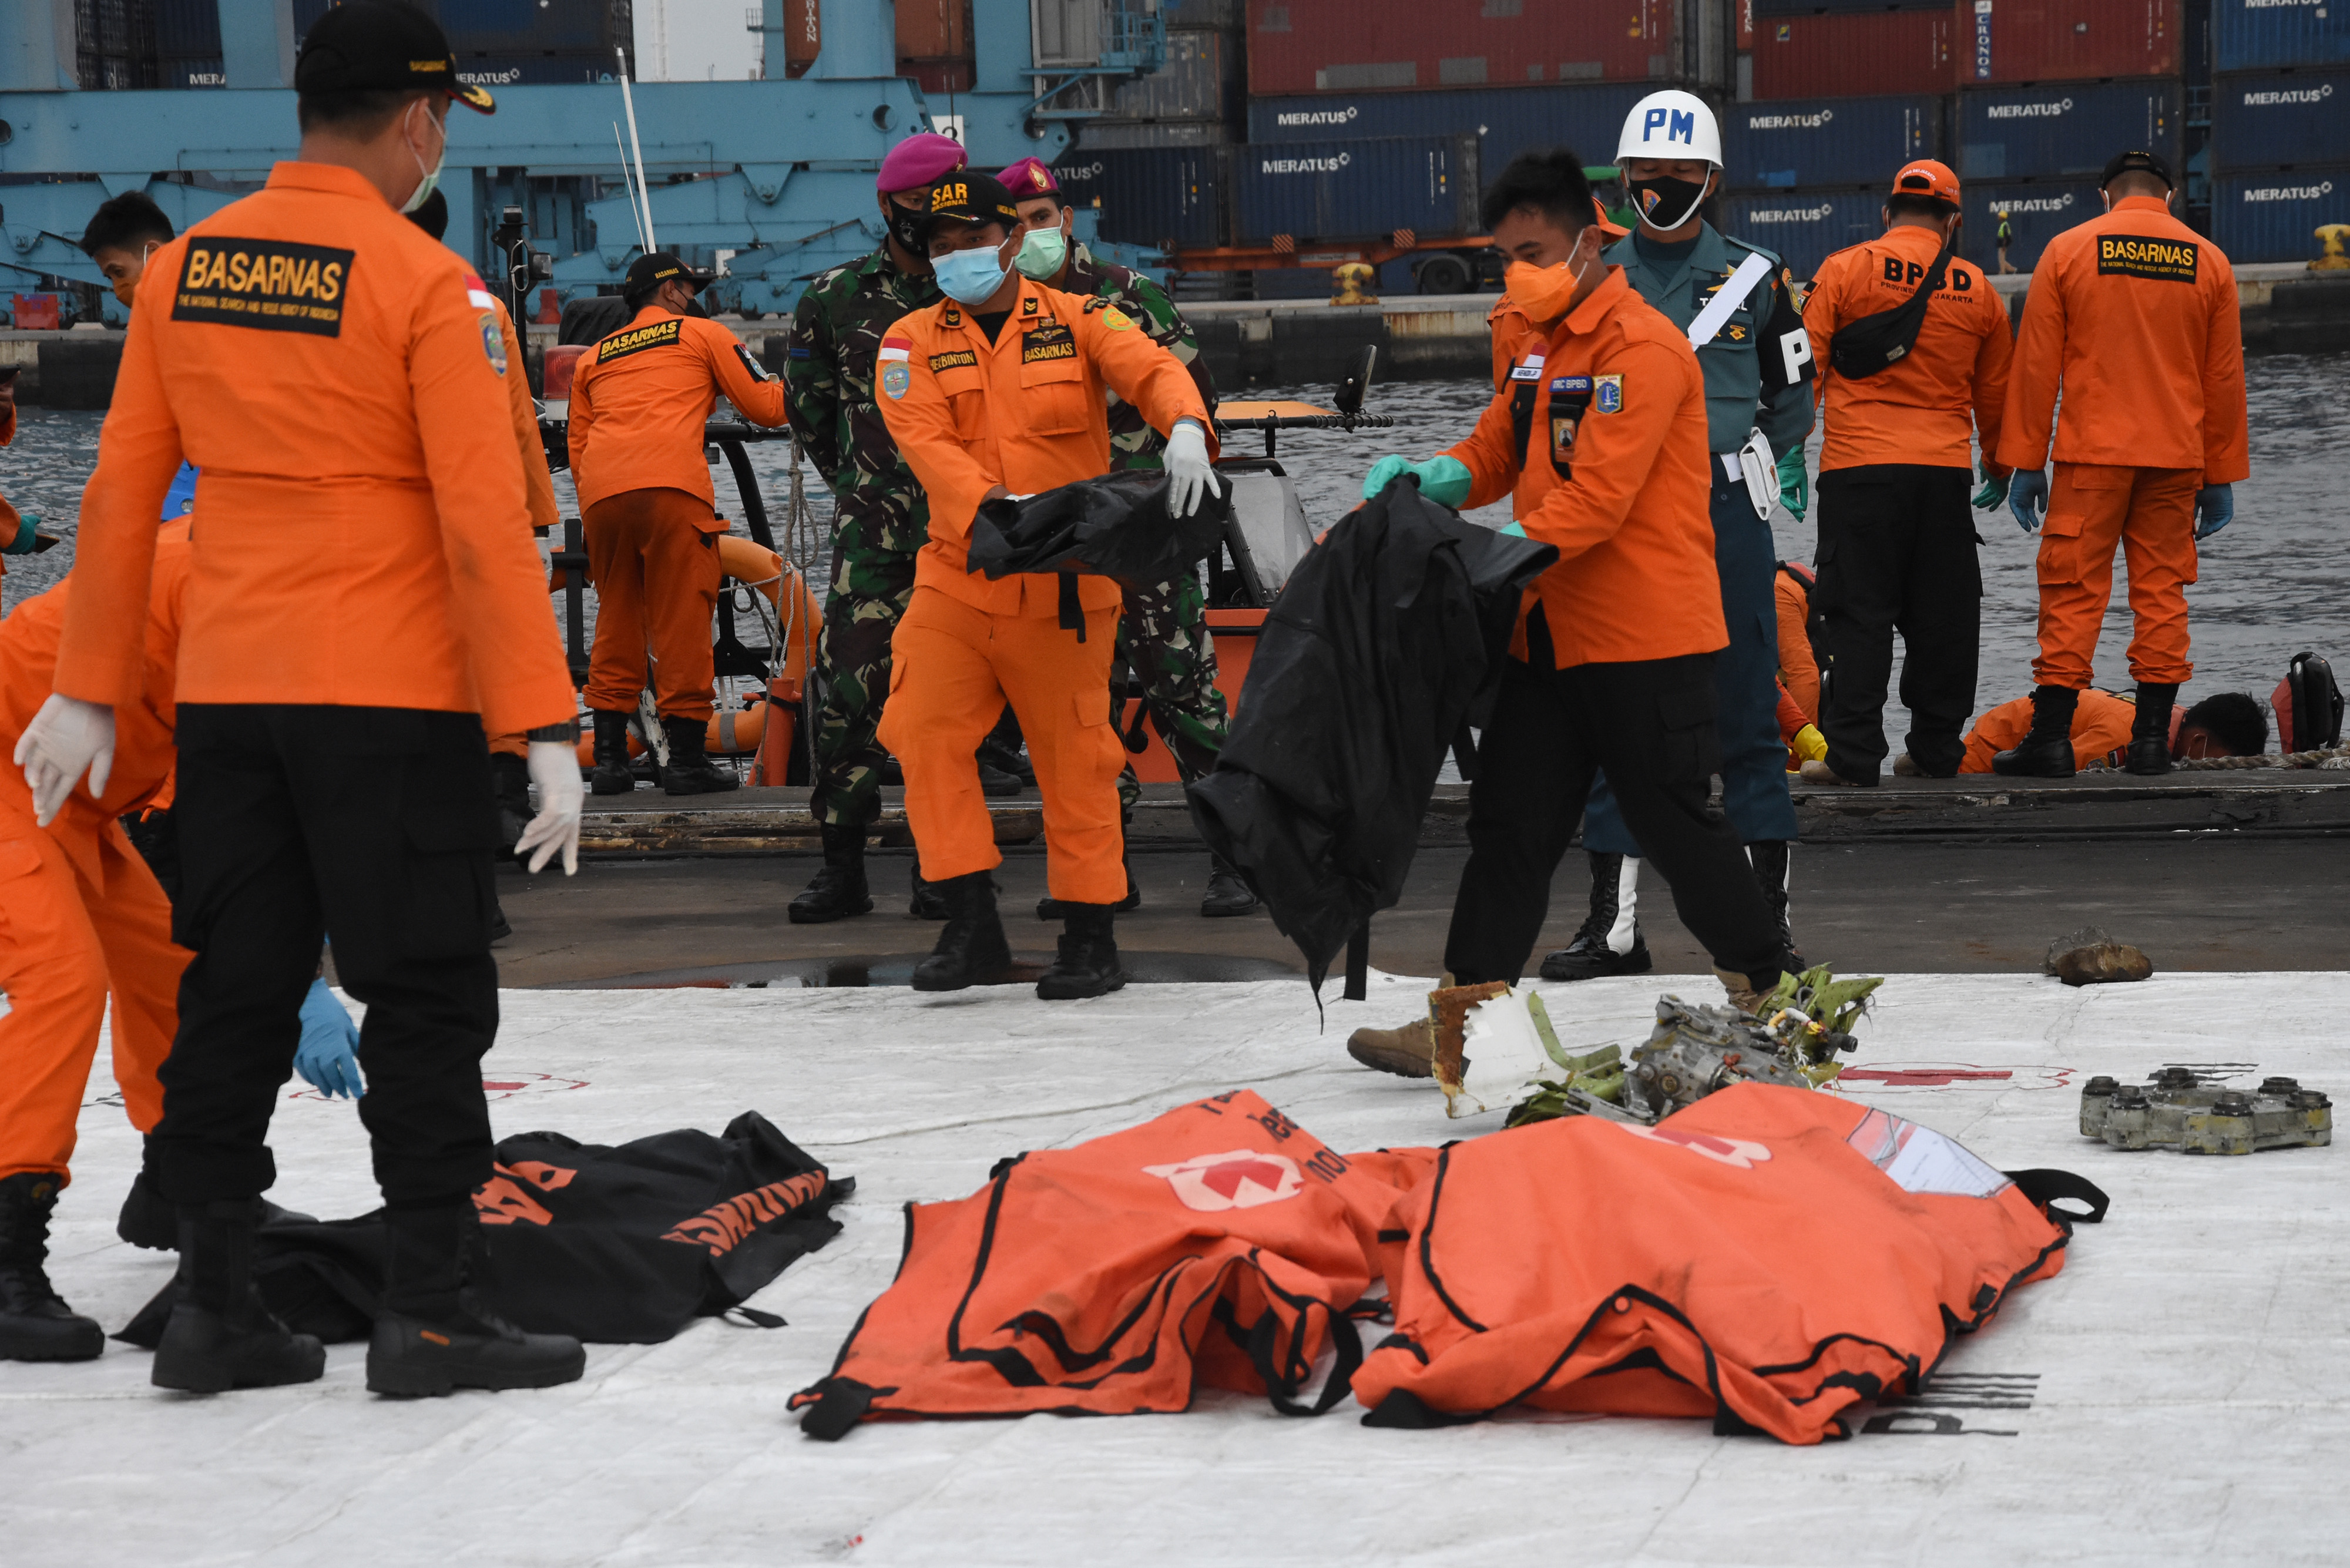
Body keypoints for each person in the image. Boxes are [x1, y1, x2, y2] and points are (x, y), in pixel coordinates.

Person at [24, 0, 586, 1396]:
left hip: (227, 697)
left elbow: (120, 494)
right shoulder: (432, 289)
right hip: (391, 695)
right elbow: (481, 525)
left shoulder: (183, 273)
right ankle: (434, 1311)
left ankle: (215, 1311)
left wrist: (90, 687)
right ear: (420, 122)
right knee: (427, 995)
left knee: (234, 992)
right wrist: (544, 723)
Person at [1342, 152, 1788, 1077]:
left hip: (1645, 640)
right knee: (1510, 826)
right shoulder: (1541, 345)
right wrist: (1432, 478)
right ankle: (1461, 1023)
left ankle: (1769, 995)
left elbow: (1598, 501)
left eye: (1533, 253)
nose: (1517, 273)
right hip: (1549, 637)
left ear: (1590, 241)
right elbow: (1498, 449)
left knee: (1676, 827)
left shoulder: (1642, 347)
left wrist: (1486, 557)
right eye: (1505, 257)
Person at [874, 172, 1220, 999]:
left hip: (1062, 586)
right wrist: (996, 509)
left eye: (971, 240)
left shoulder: (1080, 318)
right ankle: (971, 923)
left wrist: (1185, 426)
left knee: (1078, 761)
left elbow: (1152, 369)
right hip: (958, 578)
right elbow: (924, 441)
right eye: (941, 246)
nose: (956, 257)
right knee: (922, 735)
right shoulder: (907, 342)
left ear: (1010, 239)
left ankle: (1090, 937)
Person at [1540, 92, 1815, 981]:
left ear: (1713, 178)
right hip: (1619, 522)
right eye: (1649, 171)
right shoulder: (1587, 278)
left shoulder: (1756, 279)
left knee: (1747, 716)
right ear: (1623, 178)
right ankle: (1613, 930)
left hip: (1723, 511)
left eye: (1682, 170)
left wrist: (1745, 456)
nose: (1664, 183)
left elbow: (1793, 400)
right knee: (1614, 718)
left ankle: (1767, 930)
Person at [999, 155, 1255, 919]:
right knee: (1083, 709)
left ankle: (1238, 861)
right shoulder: (1003, 313)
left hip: (1144, 533)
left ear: (1065, 220)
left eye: (1039, 219)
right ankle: (1100, 869)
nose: (1029, 235)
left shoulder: (1126, 295)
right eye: (1013, 225)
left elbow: (1194, 394)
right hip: (1067, 542)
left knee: (1184, 693)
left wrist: (1177, 452)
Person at [1992, 150, 2248, 778]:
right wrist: (2219, 475)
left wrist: (2025, 461)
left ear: (2104, 194)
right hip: (2175, 462)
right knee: (2161, 595)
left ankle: (2050, 741)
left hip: (2092, 458)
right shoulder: (2210, 261)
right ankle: (2152, 744)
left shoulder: (2068, 250)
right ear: (2170, 195)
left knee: (2072, 592)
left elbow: (2036, 365)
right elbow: (2222, 378)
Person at [783, 133, 963, 924]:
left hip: (969, 533)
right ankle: (842, 868)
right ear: (889, 207)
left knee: (947, 704)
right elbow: (810, 411)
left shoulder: (981, 290)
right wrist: (867, 486)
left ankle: (941, 866)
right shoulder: (835, 298)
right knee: (849, 698)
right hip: (875, 540)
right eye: (922, 204)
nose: (935, 218)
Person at [1794, 160, 2015, 785]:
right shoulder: (1978, 289)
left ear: (1887, 213)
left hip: (1857, 472)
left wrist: (1787, 451)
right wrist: (1999, 465)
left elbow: (1804, 370)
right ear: (1953, 223)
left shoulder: (1843, 269)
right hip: (1943, 477)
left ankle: (1853, 756)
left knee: (1857, 615)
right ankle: (1936, 751)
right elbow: (1997, 393)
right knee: (1943, 616)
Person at [569, 250, 788, 797]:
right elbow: (765, 407)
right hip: (672, 489)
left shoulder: (592, 357)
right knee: (683, 619)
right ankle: (686, 761)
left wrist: (602, 501)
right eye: (690, 290)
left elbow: (578, 445)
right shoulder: (703, 334)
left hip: (602, 496)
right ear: (670, 291)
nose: (694, 299)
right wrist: (806, 386)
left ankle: (611, 762)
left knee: (617, 618)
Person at [410, 187, 563, 850]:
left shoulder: (358, 296)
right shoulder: (483, 304)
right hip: (489, 514)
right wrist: (534, 522)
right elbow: (516, 422)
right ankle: (503, 799)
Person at [1960, 686, 2266, 773]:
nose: (2216, 770)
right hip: (1988, 752)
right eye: (2219, 763)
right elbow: (2059, 769)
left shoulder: (2166, 717)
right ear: (2200, 741)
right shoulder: (2125, 738)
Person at [1996, 210, 2016, 276]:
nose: (1998, 217)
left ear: (2002, 217)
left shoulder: (2005, 226)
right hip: (2001, 245)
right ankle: (2011, 270)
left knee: (2001, 260)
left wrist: (2004, 246)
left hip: (2002, 246)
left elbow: (2006, 237)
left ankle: (2004, 272)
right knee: (2002, 260)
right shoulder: (2004, 225)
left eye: (1999, 216)